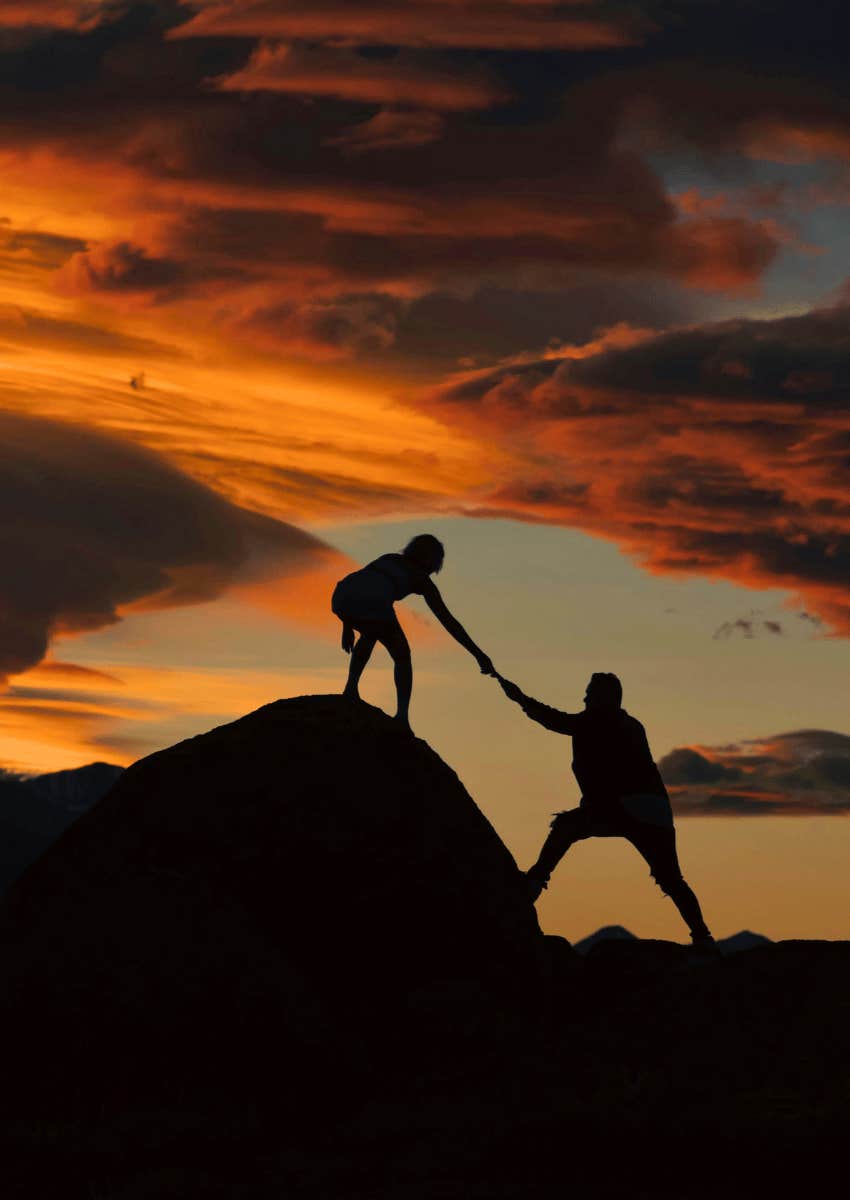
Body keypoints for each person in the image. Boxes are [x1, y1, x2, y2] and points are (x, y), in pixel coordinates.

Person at [498, 671, 714, 947]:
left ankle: (533, 883)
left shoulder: (599, 722)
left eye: (590, 694)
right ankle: (702, 937)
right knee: (671, 879)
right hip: (654, 813)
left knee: (566, 827)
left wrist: (519, 698)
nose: (585, 699)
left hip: (626, 808)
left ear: (606, 698)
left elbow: (555, 721)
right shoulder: (628, 725)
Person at [332, 534, 495, 730]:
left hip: (341, 595)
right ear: (430, 559)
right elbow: (449, 622)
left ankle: (351, 689)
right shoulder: (422, 580)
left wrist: (347, 624)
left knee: (371, 633)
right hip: (372, 602)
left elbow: (361, 585)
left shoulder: (390, 558)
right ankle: (402, 716)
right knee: (402, 655)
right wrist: (478, 654)